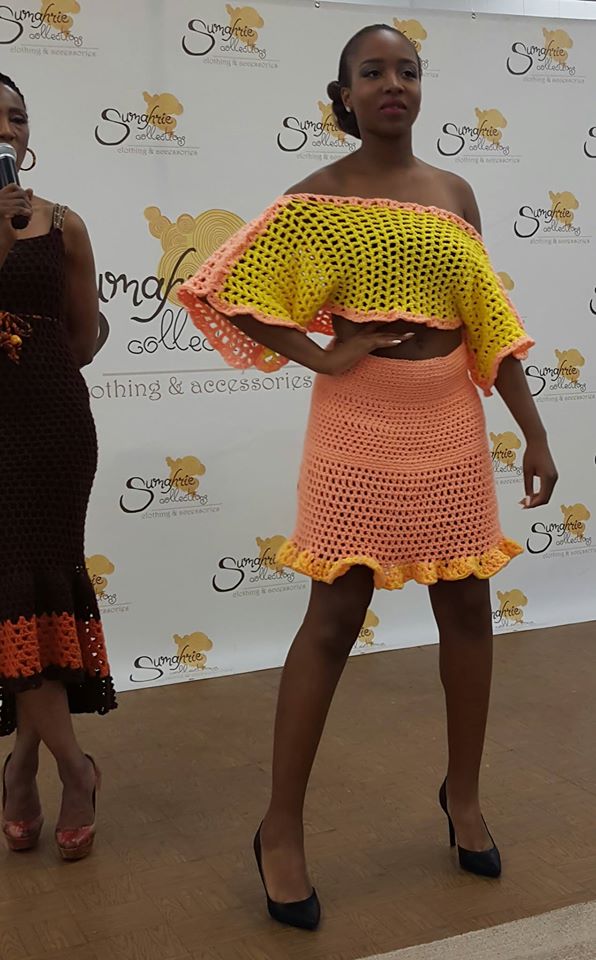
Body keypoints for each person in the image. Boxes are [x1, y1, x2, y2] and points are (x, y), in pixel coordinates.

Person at [179, 25, 558, 930]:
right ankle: (280, 828)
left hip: (449, 421)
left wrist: (536, 433)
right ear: (344, 93)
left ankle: (463, 797)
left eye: (408, 70)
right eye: (373, 71)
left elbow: (489, 323)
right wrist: (321, 354)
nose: (394, 83)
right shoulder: (317, 197)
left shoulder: (455, 193)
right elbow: (222, 288)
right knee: (333, 616)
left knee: (467, 609)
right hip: (356, 424)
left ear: (421, 88)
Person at [0, 74, 116, 861]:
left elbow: (82, 334)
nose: (5, 129)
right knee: (11, 594)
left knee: (34, 587)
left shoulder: (64, 222)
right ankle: (52, 765)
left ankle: (46, 769)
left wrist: (32, 362)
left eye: (16, 116)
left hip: (49, 428)